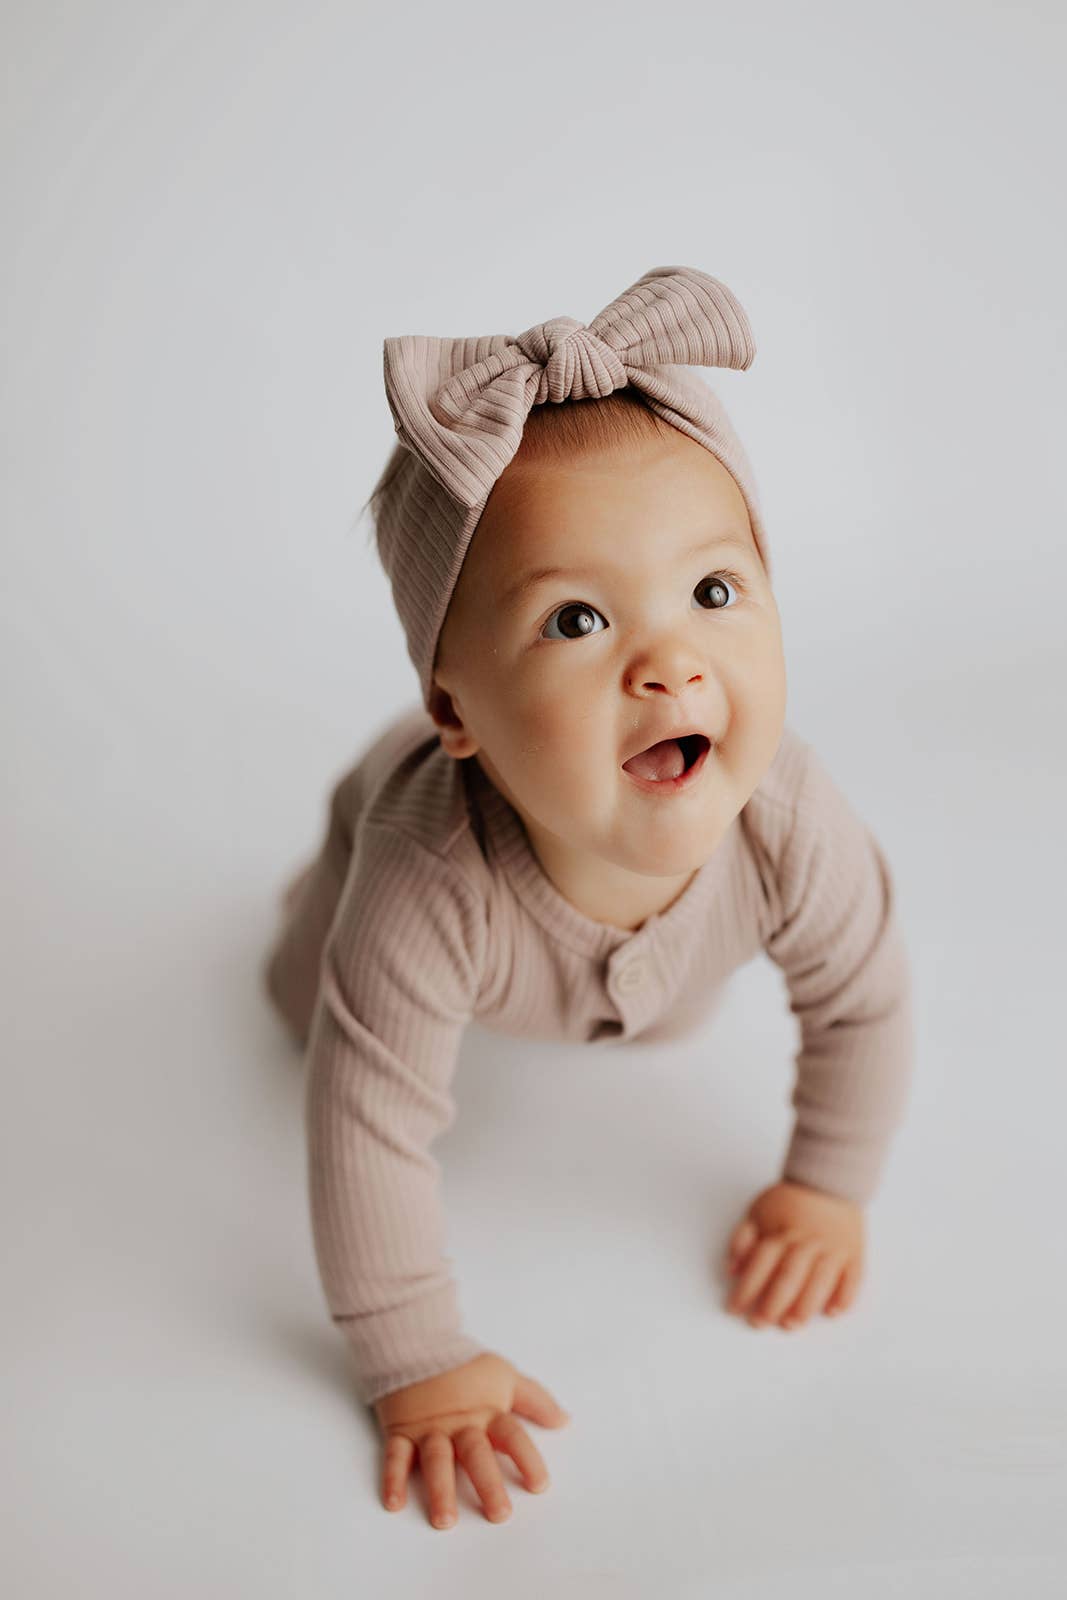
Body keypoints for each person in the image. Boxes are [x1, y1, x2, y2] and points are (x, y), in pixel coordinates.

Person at [262, 265, 915, 1531]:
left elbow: (865, 1001)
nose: (670, 661)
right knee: (305, 1014)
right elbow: (366, 1129)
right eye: (573, 619)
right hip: (381, 855)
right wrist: (413, 1355)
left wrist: (826, 1183)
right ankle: (306, 921)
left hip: (618, 968)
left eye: (713, 593)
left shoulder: (787, 819)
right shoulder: (422, 882)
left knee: (662, 1014)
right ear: (454, 707)